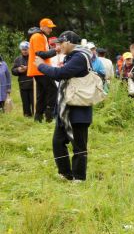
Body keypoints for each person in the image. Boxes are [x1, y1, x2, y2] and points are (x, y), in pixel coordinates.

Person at [34, 31, 93, 182]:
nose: (58, 46)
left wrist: (41, 66)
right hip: (65, 109)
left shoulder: (80, 56)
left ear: (68, 42)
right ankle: (66, 174)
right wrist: (50, 53)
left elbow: (60, 73)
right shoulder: (72, 56)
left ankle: (79, 178)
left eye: (60, 43)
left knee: (79, 146)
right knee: (58, 143)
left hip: (78, 109)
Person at [28, 18, 58, 122]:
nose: (51, 30)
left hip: (41, 69)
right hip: (41, 69)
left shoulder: (42, 36)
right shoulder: (37, 36)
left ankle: (38, 117)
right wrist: (55, 51)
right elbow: (40, 54)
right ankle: (49, 116)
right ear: (43, 27)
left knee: (43, 94)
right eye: (49, 28)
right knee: (53, 90)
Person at [12, 41, 34, 117]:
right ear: (21, 50)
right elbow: (13, 71)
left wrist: (27, 68)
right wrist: (18, 70)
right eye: (23, 49)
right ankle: (27, 115)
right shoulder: (17, 59)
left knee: (34, 101)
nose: (24, 51)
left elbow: (37, 68)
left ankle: (36, 115)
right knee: (25, 102)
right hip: (22, 84)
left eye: (26, 49)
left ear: (29, 49)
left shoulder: (33, 58)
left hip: (33, 84)